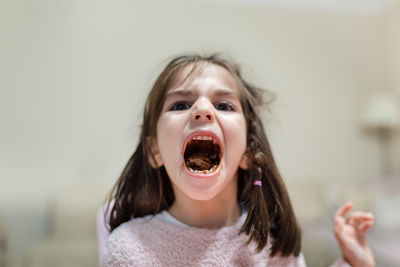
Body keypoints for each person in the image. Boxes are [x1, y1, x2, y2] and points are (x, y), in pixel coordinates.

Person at [97, 54, 375, 266]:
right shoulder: (128, 248)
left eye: (224, 105)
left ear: (247, 153)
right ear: (154, 151)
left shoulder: (274, 245)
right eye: (180, 104)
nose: (202, 109)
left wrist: (356, 263)